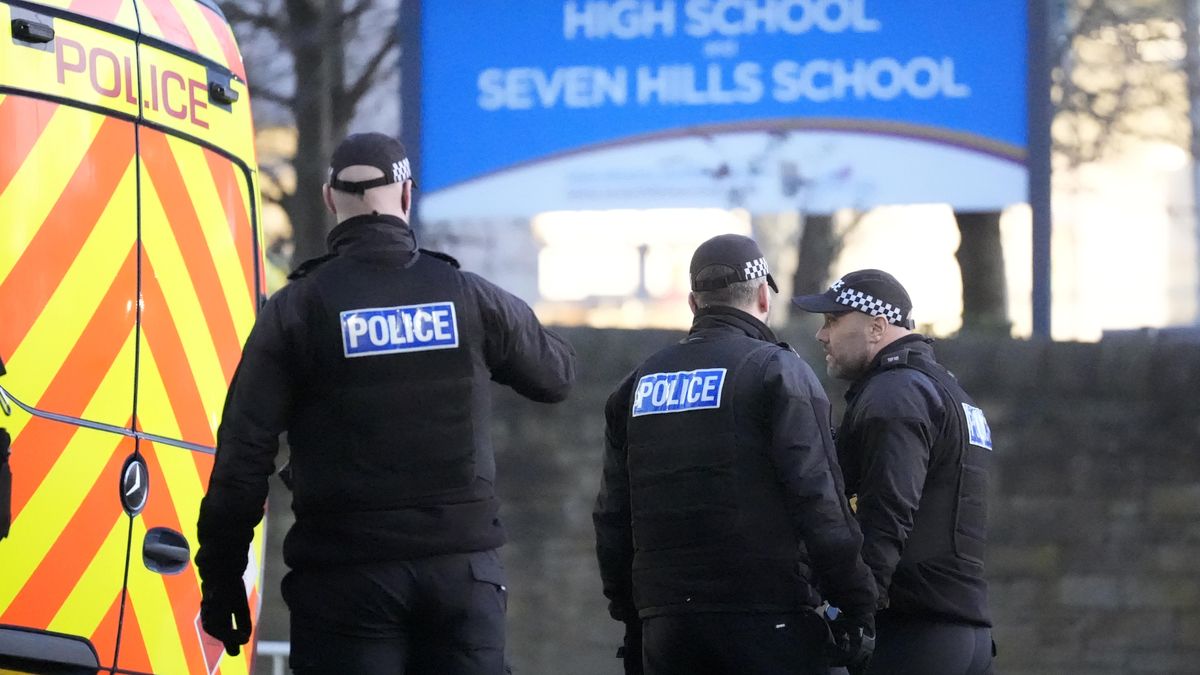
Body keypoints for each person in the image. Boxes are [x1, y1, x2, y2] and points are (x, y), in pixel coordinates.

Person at [195, 132, 577, 673]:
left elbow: (243, 455)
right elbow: (555, 376)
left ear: (330, 200)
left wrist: (222, 579)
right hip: (461, 578)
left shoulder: (297, 310)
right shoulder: (467, 295)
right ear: (405, 196)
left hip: (345, 584)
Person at [593, 234, 878, 675]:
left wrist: (634, 618)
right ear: (764, 295)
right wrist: (858, 603)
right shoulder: (777, 372)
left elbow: (613, 515)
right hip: (767, 615)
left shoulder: (636, 385)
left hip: (666, 626)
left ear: (693, 302)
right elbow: (819, 499)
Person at [792, 269, 994, 675]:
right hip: (963, 635)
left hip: (912, 636)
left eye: (833, 320)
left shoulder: (895, 394)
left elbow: (887, 511)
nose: (822, 335)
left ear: (876, 327)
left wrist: (855, 611)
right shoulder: (948, 391)